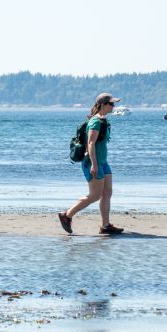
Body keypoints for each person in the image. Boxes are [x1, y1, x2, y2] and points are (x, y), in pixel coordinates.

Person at [58, 93, 125, 235]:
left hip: (103, 162)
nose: (113, 106)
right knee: (95, 195)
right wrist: (94, 164)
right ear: (102, 104)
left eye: (114, 104)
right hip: (93, 162)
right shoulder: (95, 122)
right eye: (111, 104)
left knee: (107, 193)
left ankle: (105, 226)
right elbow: (90, 144)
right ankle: (67, 215)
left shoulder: (103, 120)